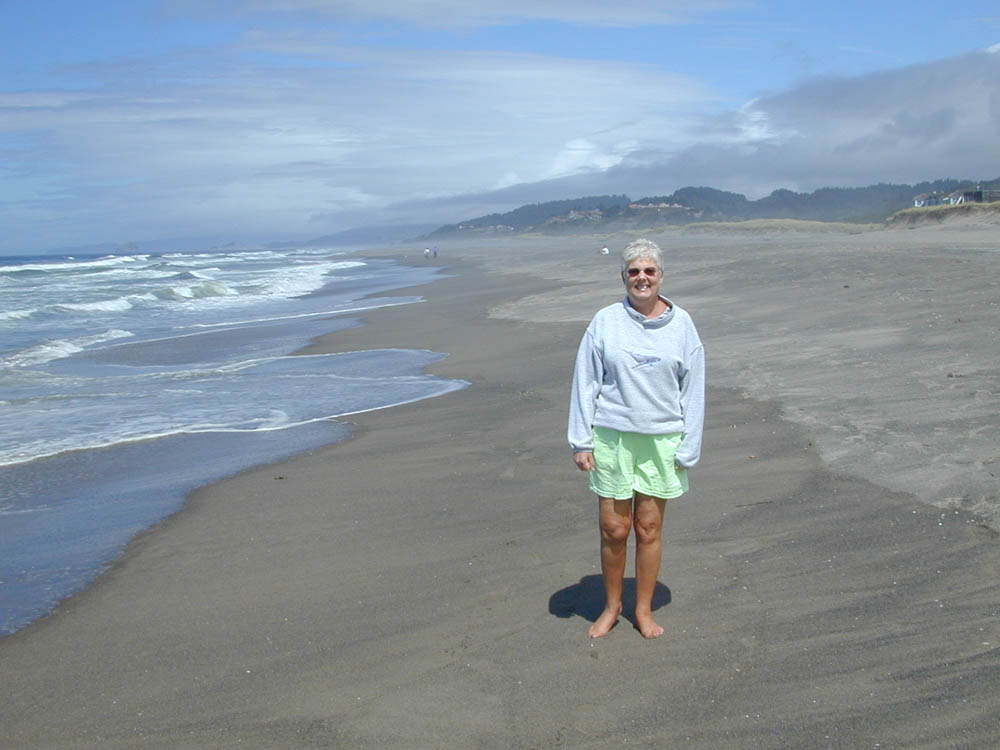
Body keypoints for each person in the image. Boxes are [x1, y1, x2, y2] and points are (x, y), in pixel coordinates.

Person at [568, 238, 705, 638]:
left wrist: (689, 446)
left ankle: (642, 610)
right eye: (634, 271)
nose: (641, 278)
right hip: (612, 438)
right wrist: (581, 441)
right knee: (614, 529)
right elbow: (585, 381)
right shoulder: (605, 321)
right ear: (623, 277)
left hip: (662, 440)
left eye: (649, 271)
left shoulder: (682, 325)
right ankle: (612, 607)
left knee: (648, 528)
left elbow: (693, 389)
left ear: (661, 276)